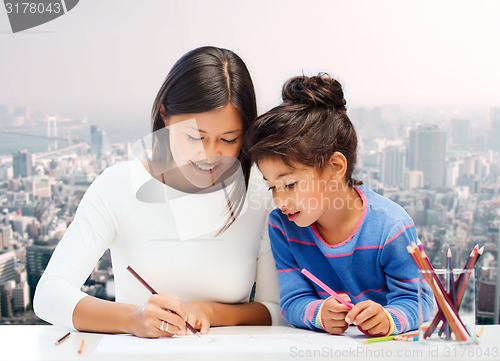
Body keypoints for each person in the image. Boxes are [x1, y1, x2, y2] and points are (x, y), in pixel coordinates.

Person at [34, 46, 283, 338]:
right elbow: (49, 295)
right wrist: (133, 318)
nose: (210, 155)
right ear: (165, 116)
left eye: (228, 140)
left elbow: (275, 309)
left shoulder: (259, 190)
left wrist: (211, 312)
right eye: (194, 137)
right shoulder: (118, 186)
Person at [244, 73, 433, 336]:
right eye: (271, 186)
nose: (280, 201)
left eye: (289, 185)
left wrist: (388, 319)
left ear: (335, 167)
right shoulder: (283, 226)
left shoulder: (391, 227)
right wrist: (320, 314)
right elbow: (292, 300)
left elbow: (419, 301)